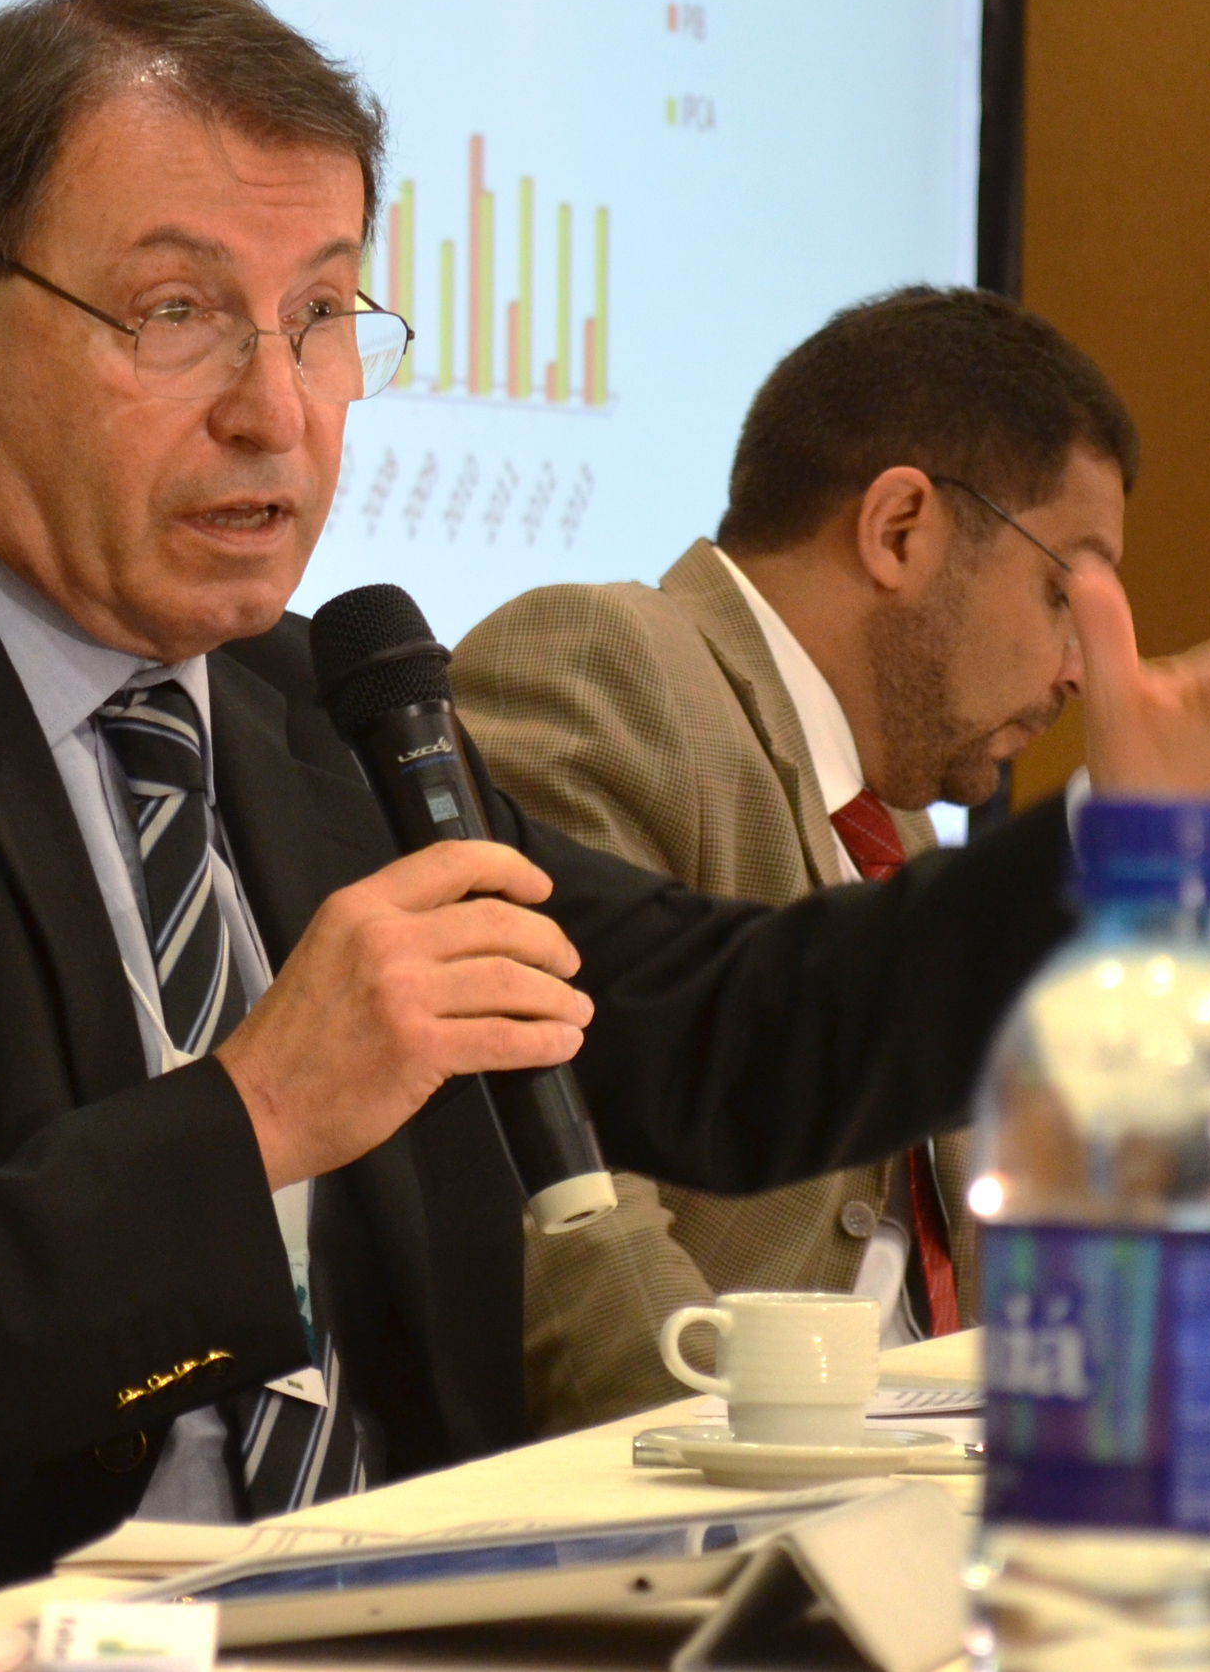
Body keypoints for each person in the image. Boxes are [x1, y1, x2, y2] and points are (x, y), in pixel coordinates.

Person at [0, 0, 1210, 1587]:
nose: (276, 403)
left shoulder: (310, 728)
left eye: (325, 310)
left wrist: (1121, 856)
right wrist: (253, 1116)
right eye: (177, 312)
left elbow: (735, 1029)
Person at [453, 289, 1173, 1433]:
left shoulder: (906, 837)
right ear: (899, 529)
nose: (1083, 669)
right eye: (1062, 592)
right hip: (733, 1517)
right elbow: (566, 1193)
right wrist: (773, 1502)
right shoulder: (605, 666)